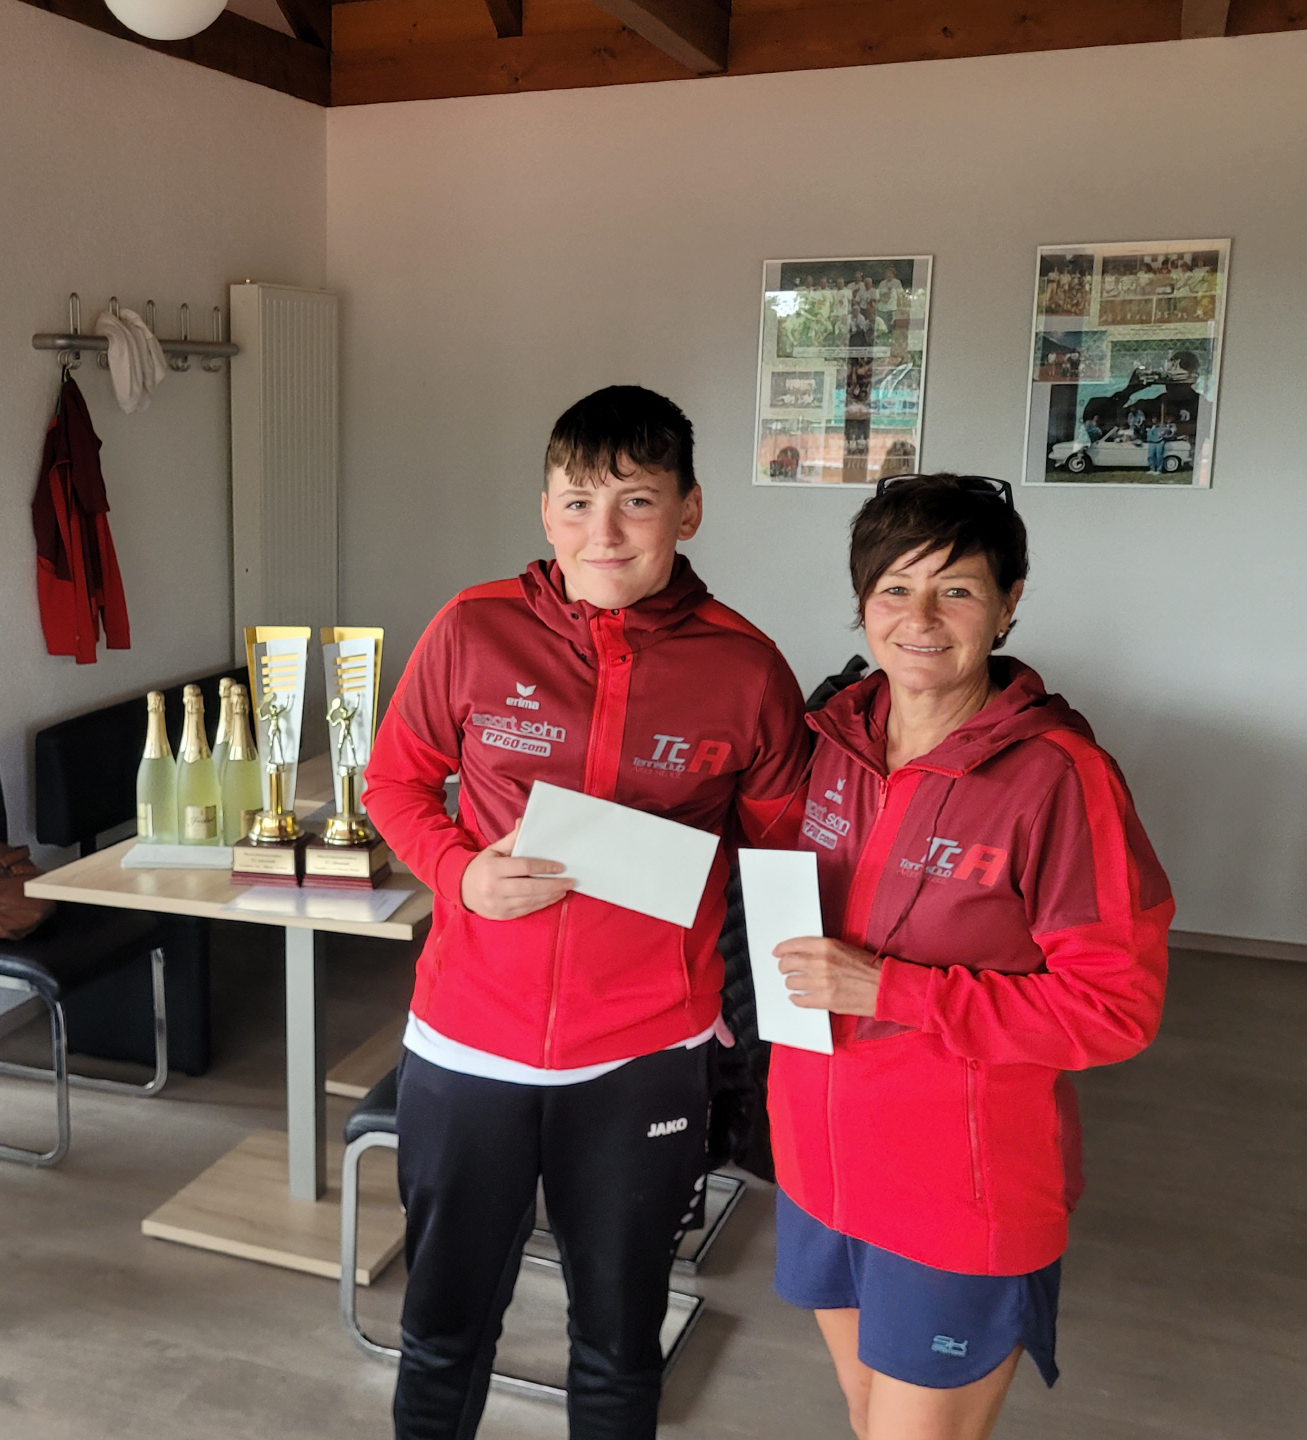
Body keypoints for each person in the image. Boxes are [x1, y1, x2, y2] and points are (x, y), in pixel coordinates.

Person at [362, 385, 811, 1440]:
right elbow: (394, 783)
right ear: (545, 511)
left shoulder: (747, 668)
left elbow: (786, 860)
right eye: (576, 504)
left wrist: (791, 1034)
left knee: (617, 1343)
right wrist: (458, 873)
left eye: (636, 501)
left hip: (645, 1052)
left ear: (688, 510)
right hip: (468, 1039)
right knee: (442, 1328)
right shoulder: (473, 628)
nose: (601, 533)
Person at [768, 474, 1172, 1440]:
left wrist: (890, 989)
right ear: (862, 601)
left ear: (1007, 602)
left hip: (958, 1190)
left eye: (955, 589)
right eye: (894, 588)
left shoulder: (1059, 778)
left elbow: (1114, 1009)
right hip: (817, 1163)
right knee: (869, 1416)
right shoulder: (830, 740)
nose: (919, 619)